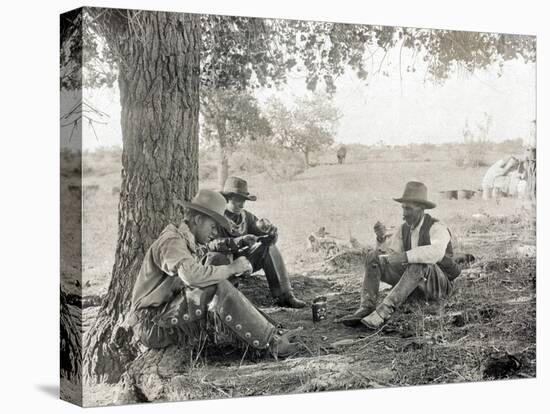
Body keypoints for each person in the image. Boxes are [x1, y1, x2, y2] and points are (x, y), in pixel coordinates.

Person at [129, 189, 300, 358]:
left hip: (164, 315)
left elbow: (207, 259)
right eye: (212, 226)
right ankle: (270, 344)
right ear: (197, 219)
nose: (214, 232)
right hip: (151, 324)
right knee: (215, 285)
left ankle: (272, 331)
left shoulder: (186, 239)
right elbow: (192, 276)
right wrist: (232, 268)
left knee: (216, 265)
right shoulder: (172, 241)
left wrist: (233, 256)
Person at [340, 181, 462, 329]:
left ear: (422, 208)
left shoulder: (437, 227)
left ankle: (384, 311)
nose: (404, 214)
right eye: (403, 208)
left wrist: (404, 257)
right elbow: (390, 255)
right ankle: (366, 307)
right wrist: (380, 240)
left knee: (419, 262)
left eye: (408, 209)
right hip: (414, 285)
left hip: (438, 286)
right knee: (373, 257)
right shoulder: (404, 229)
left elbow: (435, 253)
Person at [206, 176, 306, 308]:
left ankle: (285, 296)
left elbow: (264, 238)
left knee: (270, 248)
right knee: (218, 257)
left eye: (243, 201)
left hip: (246, 263)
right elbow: (210, 244)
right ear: (227, 198)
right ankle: (228, 300)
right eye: (237, 201)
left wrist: (271, 234)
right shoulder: (215, 217)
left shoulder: (246, 217)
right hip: (224, 264)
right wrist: (238, 241)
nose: (241, 205)